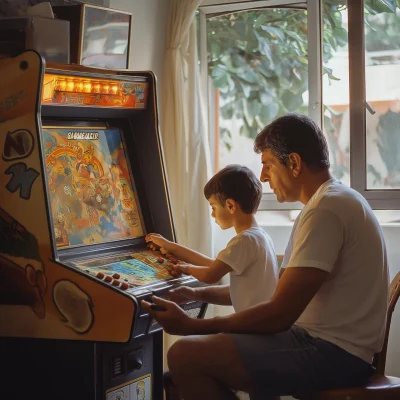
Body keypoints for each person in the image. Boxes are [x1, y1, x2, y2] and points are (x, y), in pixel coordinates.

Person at [142, 113, 389, 400]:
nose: (262, 176)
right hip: (328, 347)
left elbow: (279, 315)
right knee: (185, 366)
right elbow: (274, 293)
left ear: (294, 163)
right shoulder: (326, 203)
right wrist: (198, 296)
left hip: (333, 354)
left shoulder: (326, 209)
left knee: (185, 354)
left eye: (268, 165)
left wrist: (192, 326)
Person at [146, 164, 278, 313]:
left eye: (213, 207)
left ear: (230, 205)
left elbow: (211, 275)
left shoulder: (243, 240)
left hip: (253, 325)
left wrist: (185, 268)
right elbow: (213, 265)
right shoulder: (260, 236)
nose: (212, 214)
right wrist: (171, 247)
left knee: (188, 337)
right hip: (262, 321)